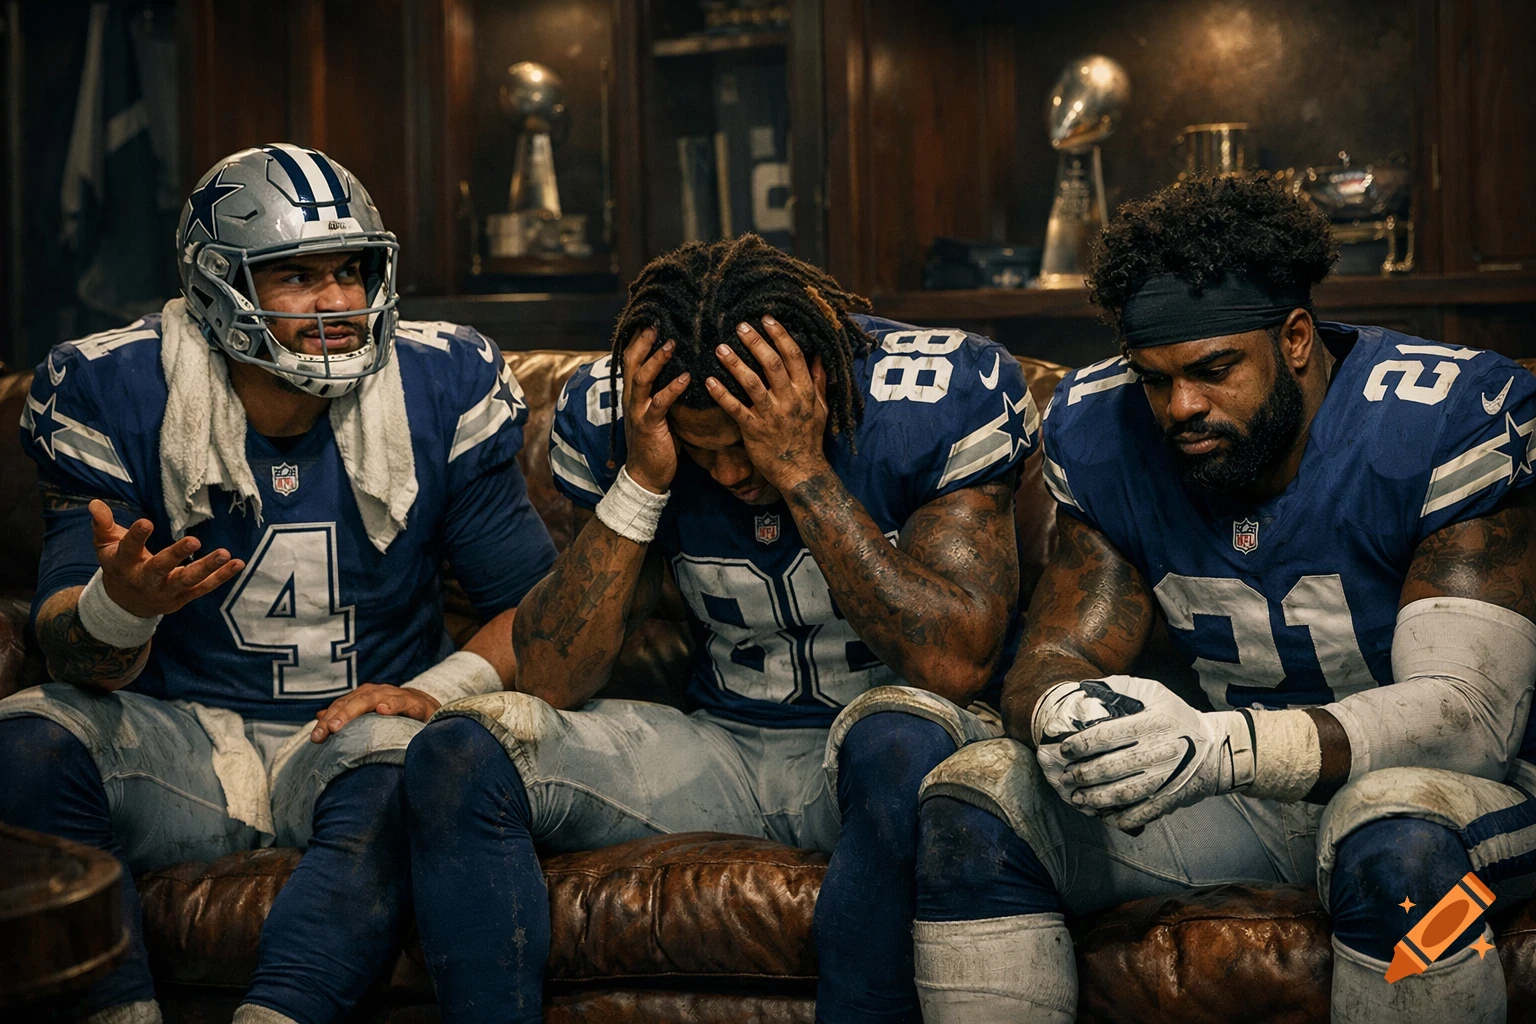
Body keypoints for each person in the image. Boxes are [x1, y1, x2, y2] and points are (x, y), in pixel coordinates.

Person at [908, 174, 1536, 1024]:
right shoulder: (1106, 427)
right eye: (1155, 380)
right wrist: (1060, 715)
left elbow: (1469, 723)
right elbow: (1061, 650)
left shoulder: (1438, 416)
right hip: (1243, 786)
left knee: (1397, 845)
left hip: (1457, 798)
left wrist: (1222, 750)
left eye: (1213, 370)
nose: (1182, 407)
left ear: (1299, 338)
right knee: (978, 801)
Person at [403, 234, 1040, 1022]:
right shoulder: (616, 415)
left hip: (888, 751)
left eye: (746, 444)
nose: (734, 473)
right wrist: (643, 478)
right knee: (461, 753)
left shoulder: (935, 394)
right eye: (709, 451)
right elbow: (553, 679)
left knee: (897, 745)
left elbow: (954, 661)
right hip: (725, 743)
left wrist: (801, 469)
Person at [0, 145, 556, 1024]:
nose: (338, 303)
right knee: (22, 740)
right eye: (295, 276)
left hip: (356, 735)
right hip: (181, 732)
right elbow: (68, 645)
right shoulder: (110, 387)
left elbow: (538, 618)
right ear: (216, 286)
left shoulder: (442, 380)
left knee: (403, 768)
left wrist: (429, 693)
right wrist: (121, 606)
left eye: (351, 270)